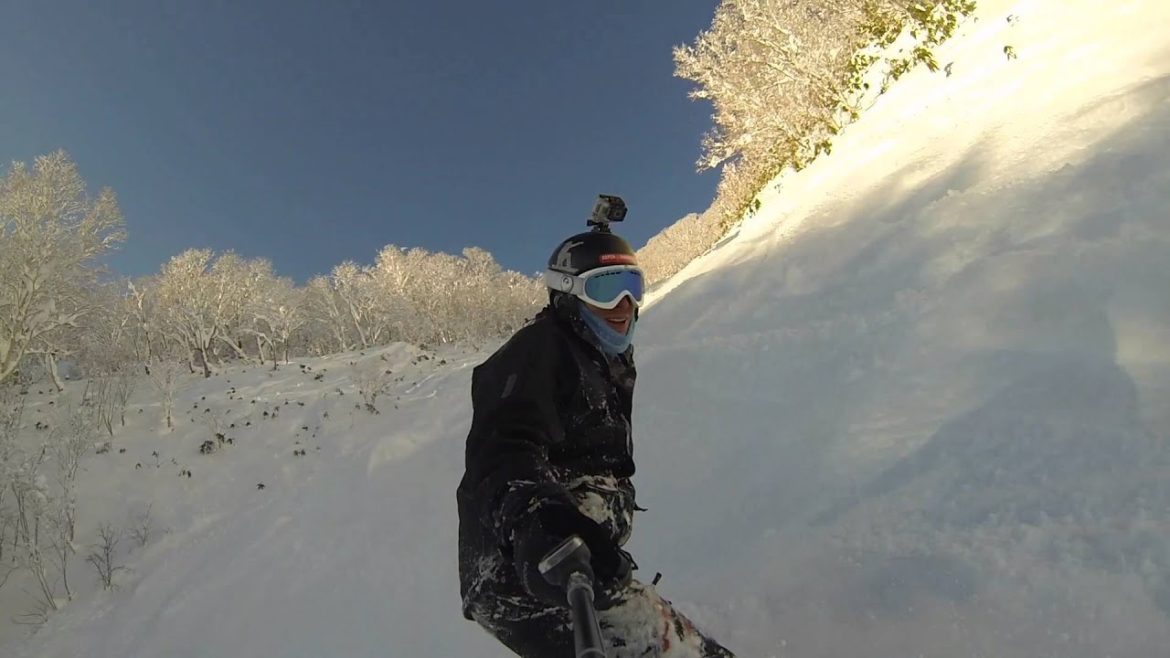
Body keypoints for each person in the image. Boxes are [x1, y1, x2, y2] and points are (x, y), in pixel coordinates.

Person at [457, 224, 735, 657]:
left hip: (572, 560)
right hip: (532, 561)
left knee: (677, 643)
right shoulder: (539, 348)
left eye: (632, 287)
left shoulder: (602, 359)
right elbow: (503, 447)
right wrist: (538, 518)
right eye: (606, 288)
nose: (624, 305)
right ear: (568, 293)